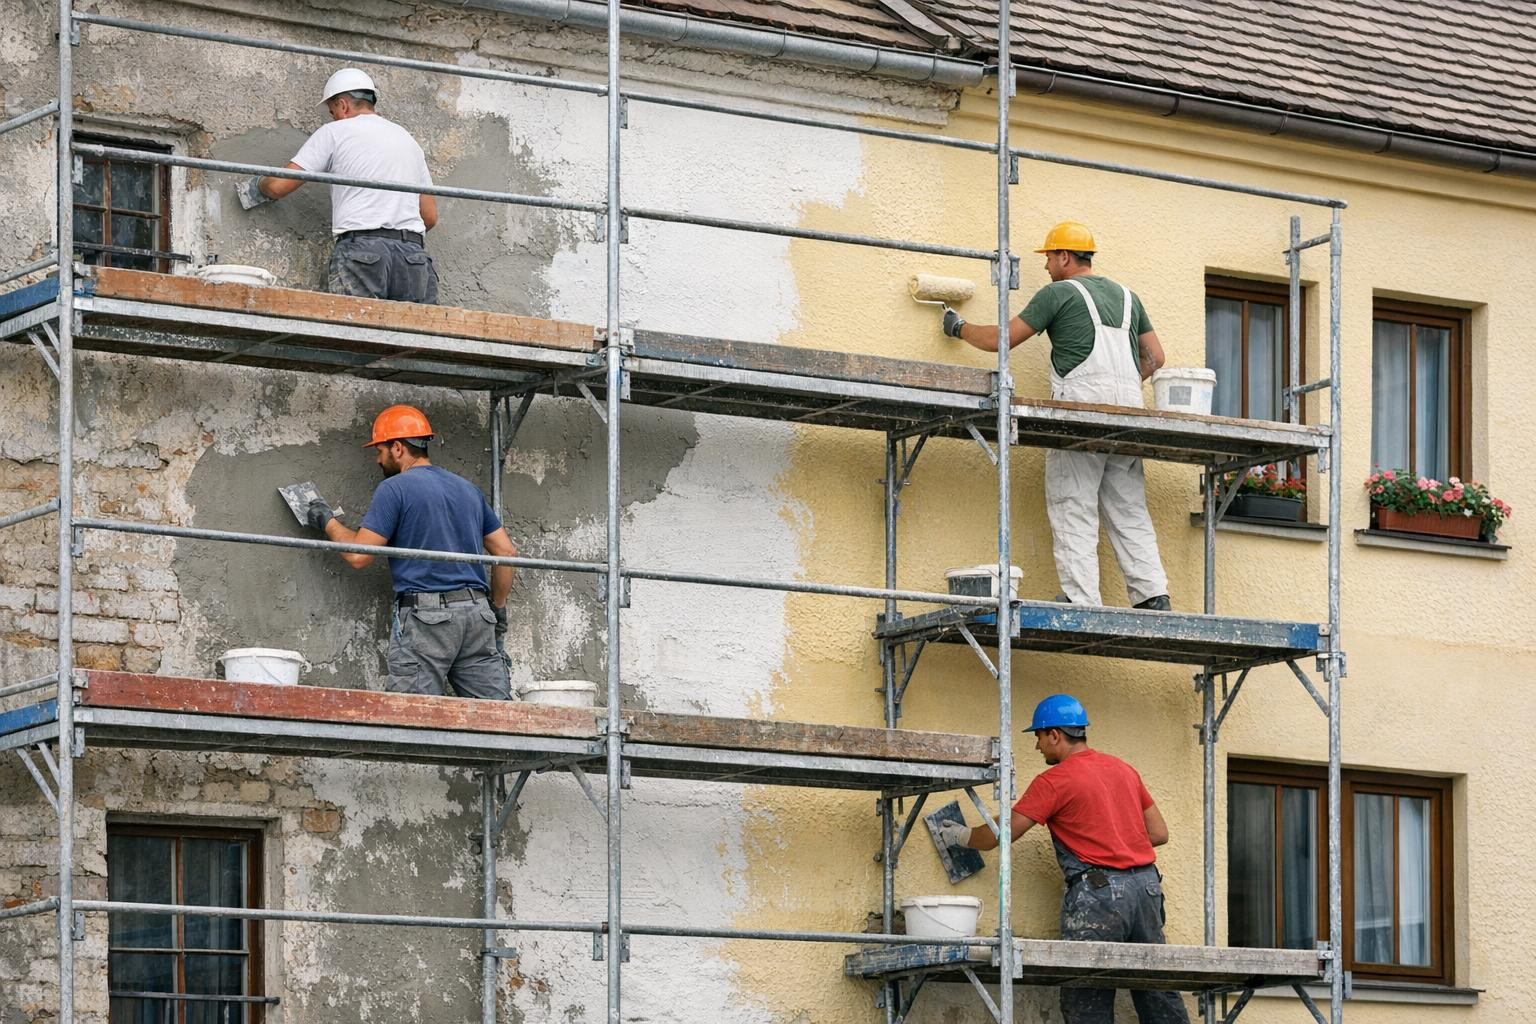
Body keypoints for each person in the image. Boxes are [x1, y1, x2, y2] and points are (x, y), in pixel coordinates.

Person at [941, 221, 1170, 610]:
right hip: (1129, 413)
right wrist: (1124, 385)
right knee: (1129, 507)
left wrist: (959, 328)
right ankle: (1153, 596)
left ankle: (1082, 599)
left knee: (1072, 502)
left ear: (1065, 256)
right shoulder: (1129, 297)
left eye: (1048, 257)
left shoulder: (1058, 293)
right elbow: (1156, 358)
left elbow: (1003, 340)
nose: (1046, 266)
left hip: (1079, 413)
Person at [936, 694, 1189, 1024]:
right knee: (1156, 988)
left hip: (1100, 895)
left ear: (1055, 734)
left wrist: (961, 836)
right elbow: (1159, 833)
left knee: (1087, 993)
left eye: (1039, 737)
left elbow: (1003, 834)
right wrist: (1115, 835)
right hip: (1146, 888)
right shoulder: (1123, 770)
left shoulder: (1054, 781)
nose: (1037, 747)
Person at [304, 404, 516, 699]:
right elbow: (505, 553)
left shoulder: (395, 489)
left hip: (428, 618)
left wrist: (327, 521)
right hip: (478, 615)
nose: (378, 460)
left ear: (398, 448)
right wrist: (498, 607)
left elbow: (358, 555)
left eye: (380, 451)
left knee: (412, 716)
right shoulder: (468, 490)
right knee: (496, 718)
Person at [235, 68, 440, 303]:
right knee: (412, 337)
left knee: (357, 334)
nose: (333, 117)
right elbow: (430, 216)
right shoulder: (407, 140)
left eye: (332, 112)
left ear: (343, 105)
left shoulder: (336, 131)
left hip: (364, 252)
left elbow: (279, 186)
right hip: (413, 257)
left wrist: (256, 188)